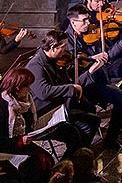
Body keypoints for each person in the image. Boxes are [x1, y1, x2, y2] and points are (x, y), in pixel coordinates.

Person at [65, 3, 122, 150]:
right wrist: (91, 59)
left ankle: (111, 140)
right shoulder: (66, 42)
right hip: (80, 87)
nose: (88, 23)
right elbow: (72, 68)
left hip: (96, 81)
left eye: (88, 19)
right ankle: (81, 150)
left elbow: (107, 56)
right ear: (73, 22)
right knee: (89, 112)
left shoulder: (91, 34)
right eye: (84, 20)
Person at [25, 30, 101, 159]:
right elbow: (44, 92)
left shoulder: (54, 60)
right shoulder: (35, 65)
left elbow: (68, 83)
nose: (66, 50)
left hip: (58, 107)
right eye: (63, 47)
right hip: (45, 114)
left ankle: (79, 158)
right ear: (53, 48)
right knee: (80, 131)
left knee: (92, 115)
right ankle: (69, 163)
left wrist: (87, 72)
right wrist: (71, 87)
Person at [0, 67, 54, 183]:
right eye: (26, 86)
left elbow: (28, 124)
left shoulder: (25, 101)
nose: (29, 90)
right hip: (7, 147)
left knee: (47, 158)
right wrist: (20, 140)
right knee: (36, 164)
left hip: (22, 142)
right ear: (16, 87)